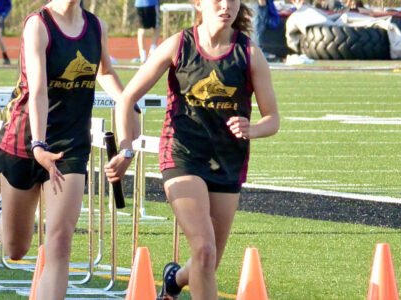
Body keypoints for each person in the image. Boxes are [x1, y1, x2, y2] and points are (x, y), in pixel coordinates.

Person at [105, 0, 280, 298]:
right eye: (217, 0)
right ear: (199, 3)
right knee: (204, 248)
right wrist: (126, 149)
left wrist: (254, 129)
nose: (226, 6)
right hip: (181, 155)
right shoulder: (179, 44)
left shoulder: (249, 53)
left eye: (233, 0)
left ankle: (174, 280)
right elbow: (127, 98)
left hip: (227, 162)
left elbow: (272, 119)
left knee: (206, 262)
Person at [0, 0, 139, 299]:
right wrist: (38, 144)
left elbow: (104, 71)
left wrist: (128, 102)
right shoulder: (38, 25)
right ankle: (1, 214)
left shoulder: (96, 27)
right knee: (16, 248)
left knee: (60, 242)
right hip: (25, 141)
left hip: (71, 146)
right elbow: (38, 90)